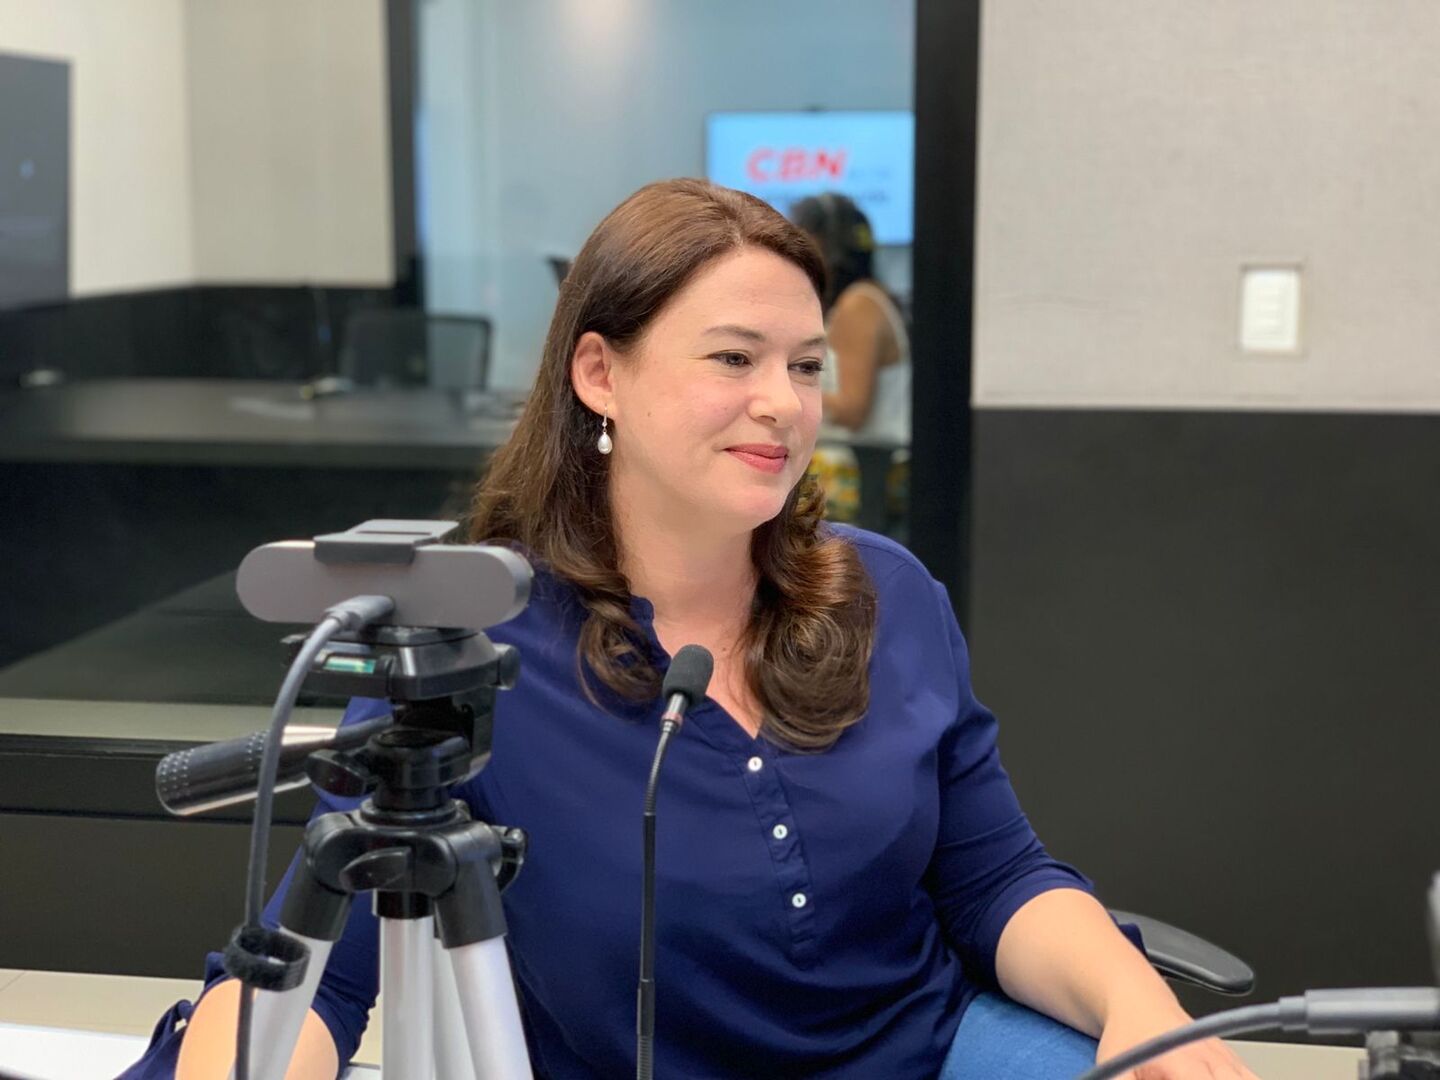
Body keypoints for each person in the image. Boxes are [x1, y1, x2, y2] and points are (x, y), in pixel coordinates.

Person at [161, 179, 1257, 1079]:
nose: (782, 403)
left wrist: (1134, 1003)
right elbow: (324, 982)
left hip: (928, 1055)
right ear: (601, 375)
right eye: (733, 359)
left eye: (806, 365)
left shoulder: (887, 593)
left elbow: (994, 880)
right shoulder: (476, 645)